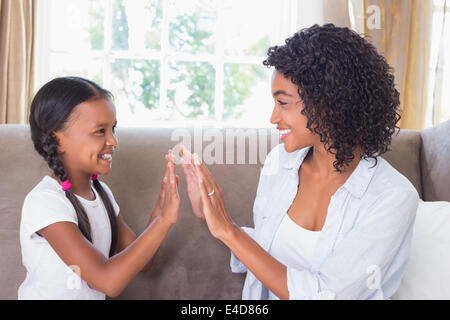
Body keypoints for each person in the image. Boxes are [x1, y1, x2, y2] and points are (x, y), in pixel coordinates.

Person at [179, 24, 419, 300]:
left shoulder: (393, 197)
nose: (273, 118)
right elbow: (269, 253)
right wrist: (212, 215)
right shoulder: (279, 163)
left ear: (327, 104)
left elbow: (328, 295)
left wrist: (229, 231)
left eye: (283, 103)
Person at [18, 76, 180, 299]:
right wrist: (164, 221)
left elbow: (144, 262)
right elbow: (108, 282)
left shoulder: (102, 194)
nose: (113, 141)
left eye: (113, 129)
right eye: (100, 131)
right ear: (58, 140)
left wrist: (161, 210)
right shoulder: (46, 202)